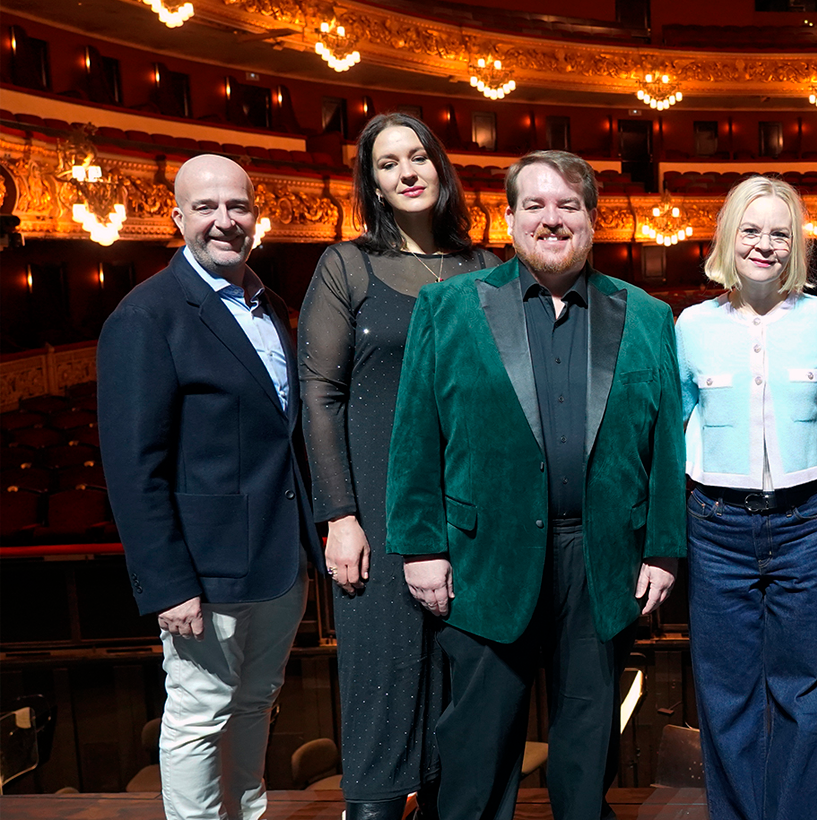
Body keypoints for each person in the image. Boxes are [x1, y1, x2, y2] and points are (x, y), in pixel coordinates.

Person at [384, 149, 685, 820]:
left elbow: (666, 444)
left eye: (569, 205)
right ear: (510, 219)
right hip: (480, 555)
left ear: (593, 221)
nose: (553, 219)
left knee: (588, 740)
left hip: (601, 556)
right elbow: (414, 436)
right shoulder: (448, 307)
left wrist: (663, 548)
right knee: (477, 749)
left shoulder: (646, 314)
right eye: (536, 205)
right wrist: (420, 547)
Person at [97, 154, 323, 820]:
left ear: (258, 215)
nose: (225, 222)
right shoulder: (147, 317)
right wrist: (169, 583)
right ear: (176, 217)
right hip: (205, 569)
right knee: (199, 715)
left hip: (280, 559)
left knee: (255, 704)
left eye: (238, 207)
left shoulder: (270, 303)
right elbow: (134, 466)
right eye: (206, 208)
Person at [298, 113, 499, 820]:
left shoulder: (484, 268)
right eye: (389, 164)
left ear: (440, 168)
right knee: (381, 695)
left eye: (419, 157)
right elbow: (320, 398)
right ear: (373, 185)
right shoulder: (345, 265)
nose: (408, 172)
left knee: (462, 704)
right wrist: (341, 515)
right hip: (377, 519)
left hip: (469, 514)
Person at [676, 176, 817, 820]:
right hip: (716, 524)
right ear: (728, 237)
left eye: (780, 232)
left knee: (807, 691)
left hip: (808, 524)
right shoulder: (692, 324)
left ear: (795, 244)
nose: (765, 244)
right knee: (726, 694)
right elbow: (676, 422)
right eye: (751, 230)